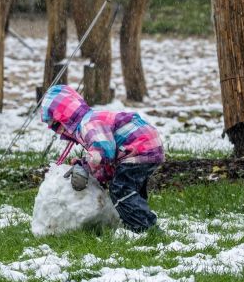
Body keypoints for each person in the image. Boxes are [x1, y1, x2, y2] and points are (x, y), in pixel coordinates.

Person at [41, 85, 165, 233]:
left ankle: (144, 228)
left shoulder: (88, 124)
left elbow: (103, 151)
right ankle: (135, 221)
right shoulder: (88, 122)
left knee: (121, 189)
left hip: (139, 147)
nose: (57, 130)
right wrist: (98, 175)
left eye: (55, 124)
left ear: (65, 118)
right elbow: (108, 160)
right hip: (146, 145)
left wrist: (85, 166)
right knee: (131, 191)